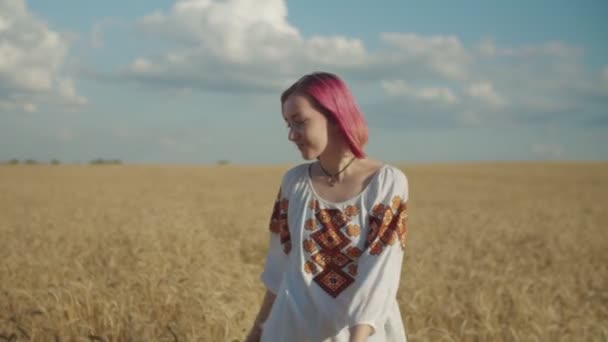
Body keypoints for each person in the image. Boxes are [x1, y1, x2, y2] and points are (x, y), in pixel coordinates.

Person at [245, 72, 410, 342]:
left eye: (299, 122)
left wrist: (357, 339)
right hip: (290, 331)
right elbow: (279, 269)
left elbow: (381, 272)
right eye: (287, 124)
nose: (291, 135)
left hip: (361, 335)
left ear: (335, 117)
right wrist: (256, 334)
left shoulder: (386, 183)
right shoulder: (294, 183)